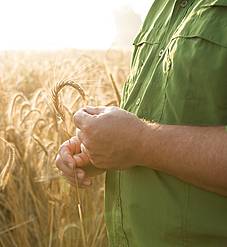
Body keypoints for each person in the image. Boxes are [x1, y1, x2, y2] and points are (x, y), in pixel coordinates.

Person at [55, 1, 227, 246]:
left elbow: (142, 138)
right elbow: (162, 116)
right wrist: (95, 149)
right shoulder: (163, 7)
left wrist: (139, 142)